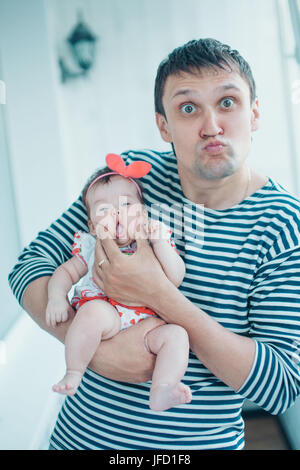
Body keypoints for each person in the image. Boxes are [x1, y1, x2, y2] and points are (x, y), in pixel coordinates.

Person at [8, 38, 300, 450]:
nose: (211, 125)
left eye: (228, 102)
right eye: (187, 108)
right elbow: (29, 265)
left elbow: (281, 385)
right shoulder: (129, 181)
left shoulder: (285, 225)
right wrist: (93, 346)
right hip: (80, 440)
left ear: (254, 113)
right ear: (163, 125)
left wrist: (157, 294)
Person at [46, 153, 190, 411]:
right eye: (104, 209)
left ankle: (163, 389)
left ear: (144, 215)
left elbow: (175, 277)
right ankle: (74, 372)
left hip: (147, 323)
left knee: (176, 336)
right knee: (91, 314)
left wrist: (160, 243)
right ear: (92, 225)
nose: (116, 213)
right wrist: (57, 298)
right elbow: (65, 273)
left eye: (126, 205)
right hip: (107, 314)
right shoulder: (90, 246)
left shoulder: (156, 237)